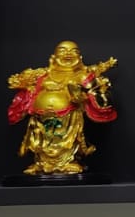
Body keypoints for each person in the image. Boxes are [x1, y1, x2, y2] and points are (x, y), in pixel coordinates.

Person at [7, 41, 118, 176]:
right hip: (40, 117)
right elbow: (22, 84)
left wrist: (82, 96)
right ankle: (41, 163)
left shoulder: (82, 75)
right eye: (62, 50)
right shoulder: (44, 74)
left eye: (73, 51)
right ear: (54, 56)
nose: (68, 54)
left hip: (68, 118)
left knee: (64, 142)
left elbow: (99, 94)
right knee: (42, 141)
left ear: (80, 57)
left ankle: (66, 163)